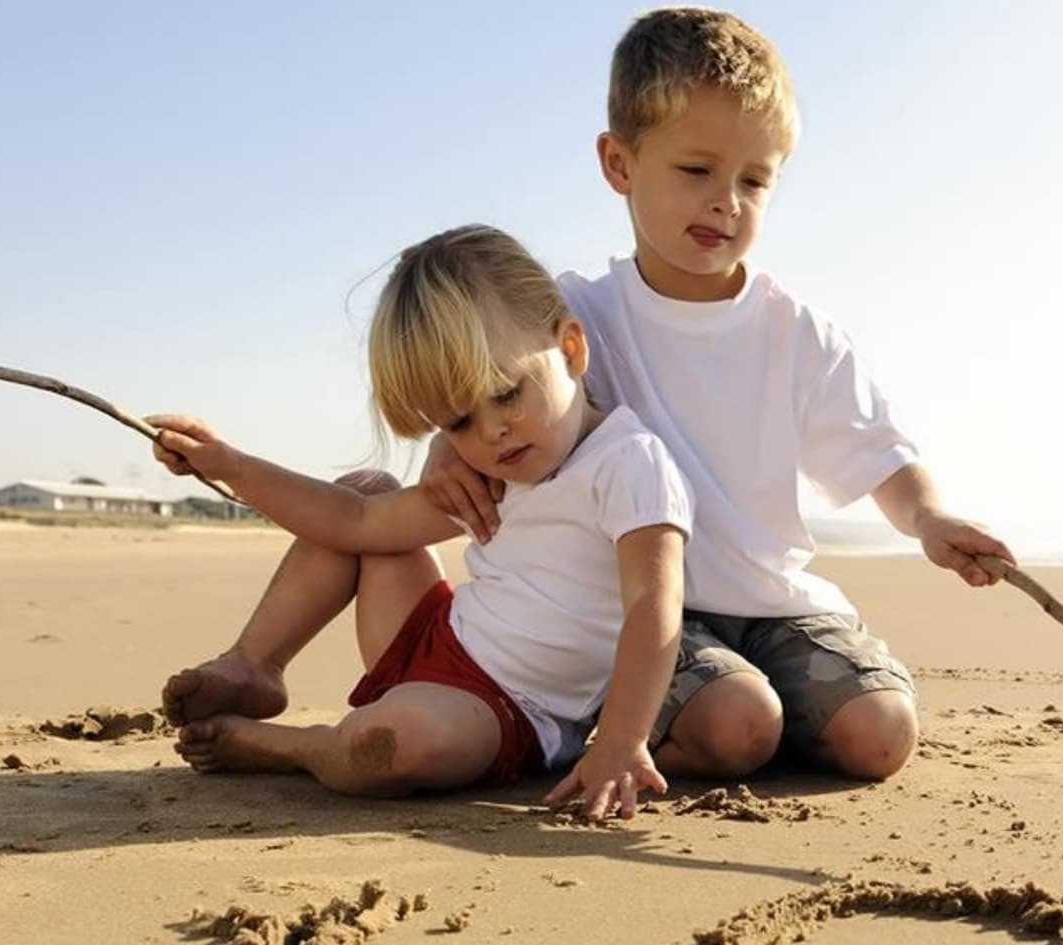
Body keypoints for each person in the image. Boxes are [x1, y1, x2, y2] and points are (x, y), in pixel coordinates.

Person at [422, 7, 1015, 783]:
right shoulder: (574, 318)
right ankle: (657, 717)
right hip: (644, 610)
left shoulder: (794, 331)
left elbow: (882, 456)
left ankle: (773, 709)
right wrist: (443, 447)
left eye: (754, 180)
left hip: (780, 604)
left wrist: (931, 517)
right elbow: (487, 387)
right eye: (697, 171)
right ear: (619, 164)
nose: (726, 202)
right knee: (738, 727)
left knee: (881, 733)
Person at [151, 225, 691, 821]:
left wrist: (621, 739)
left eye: (507, 394)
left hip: (506, 713)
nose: (491, 433)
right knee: (365, 491)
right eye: (457, 423)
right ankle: (255, 664)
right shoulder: (496, 468)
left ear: (570, 349)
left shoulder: (628, 463)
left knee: (389, 744)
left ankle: (284, 746)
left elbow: (652, 605)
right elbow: (357, 523)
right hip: (431, 641)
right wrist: (231, 465)